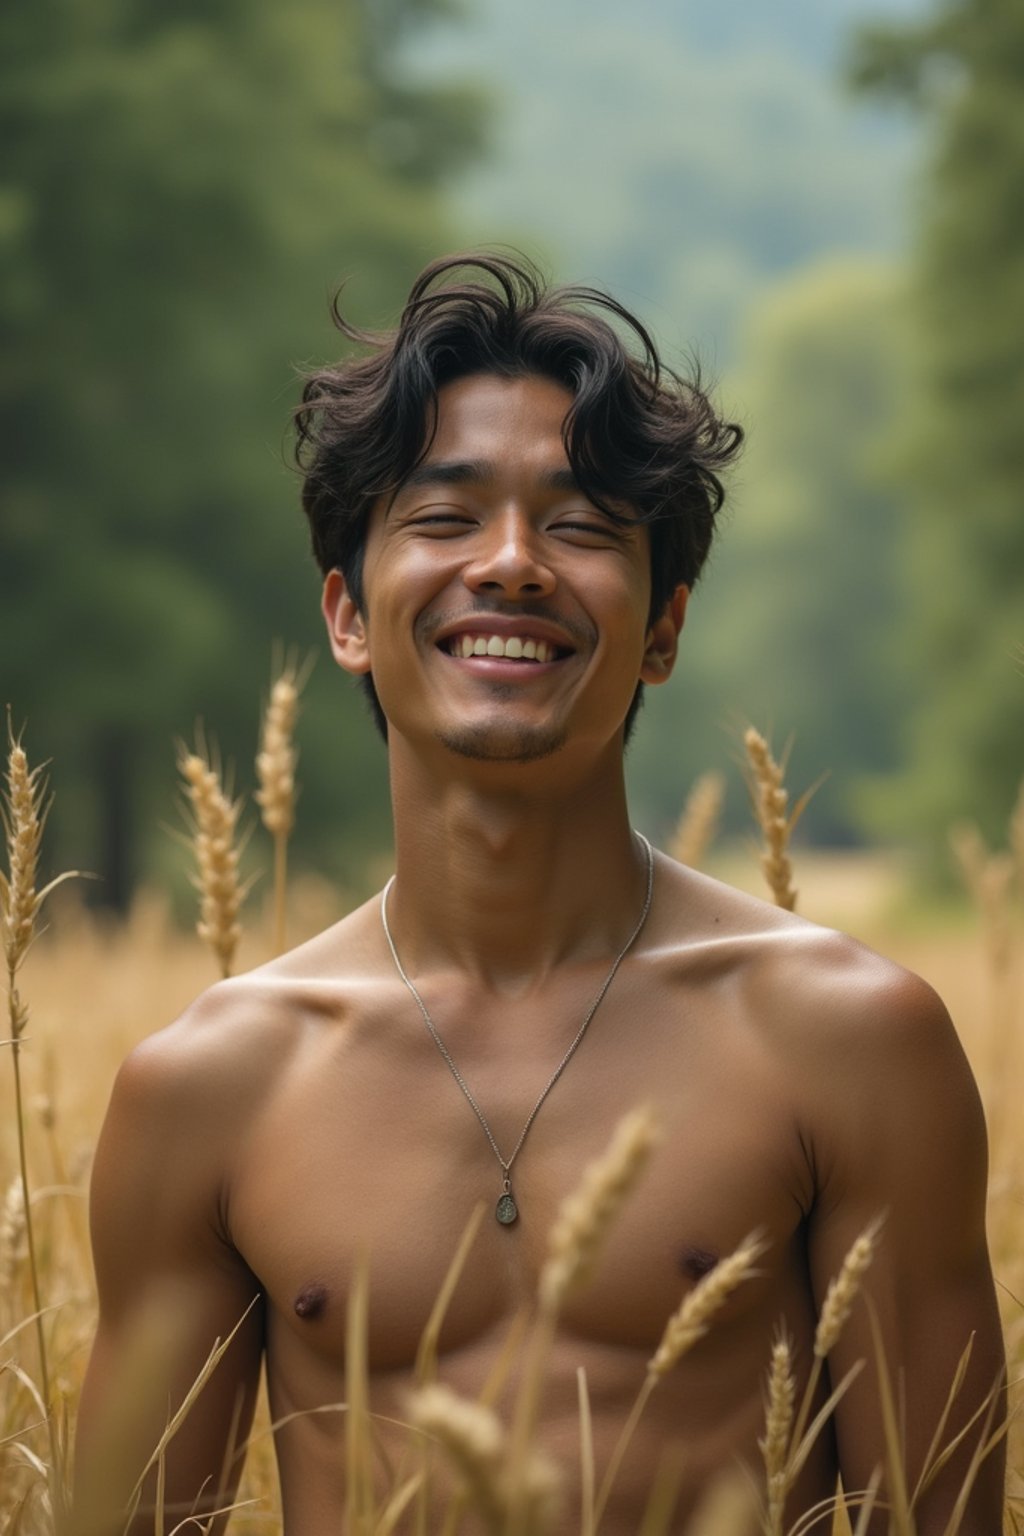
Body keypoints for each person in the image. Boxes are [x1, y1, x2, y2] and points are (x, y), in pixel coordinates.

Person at [75, 253, 1005, 1534]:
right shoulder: (213, 1086)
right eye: (446, 517)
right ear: (346, 612)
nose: (510, 564)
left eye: (577, 526)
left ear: (663, 629)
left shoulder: (846, 1041)